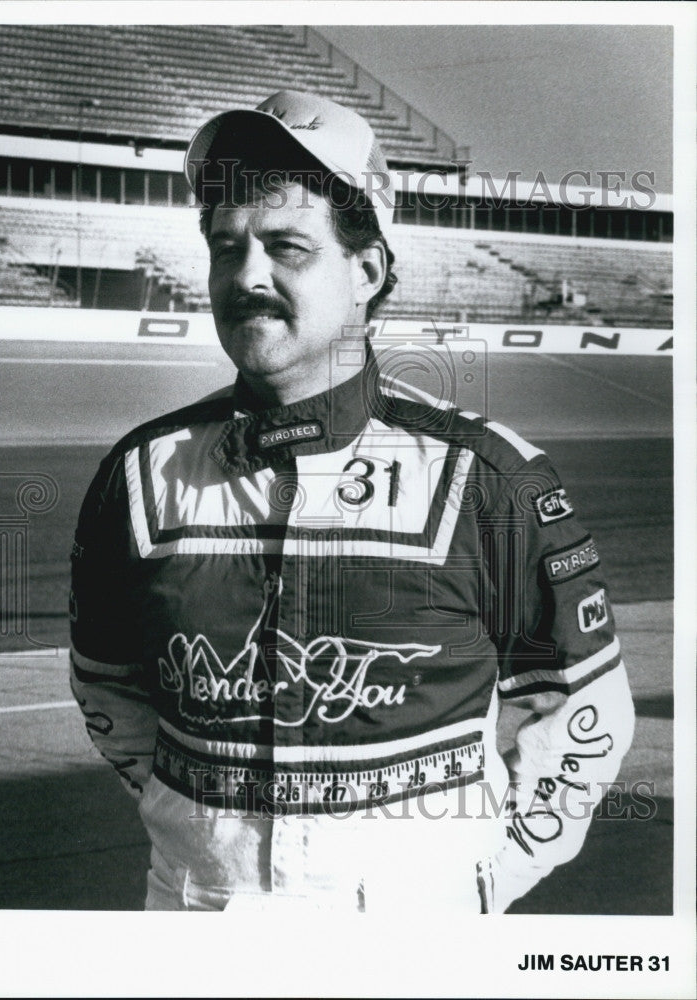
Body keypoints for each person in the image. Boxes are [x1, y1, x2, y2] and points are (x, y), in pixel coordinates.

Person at [69, 90, 635, 912]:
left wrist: (484, 880)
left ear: (366, 272)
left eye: (286, 247)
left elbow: (585, 714)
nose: (246, 276)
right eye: (226, 249)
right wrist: (191, 822)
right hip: (196, 924)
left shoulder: (489, 477)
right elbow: (107, 690)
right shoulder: (138, 473)